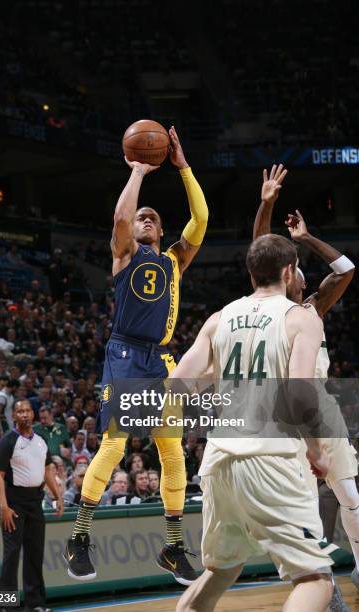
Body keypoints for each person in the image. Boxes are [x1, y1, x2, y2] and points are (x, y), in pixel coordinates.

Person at [64, 126, 208, 585]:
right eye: (142, 217)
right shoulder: (125, 253)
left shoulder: (173, 260)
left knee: (173, 453)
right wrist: (140, 172)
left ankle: (173, 547)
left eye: (153, 218)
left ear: (162, 230)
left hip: (160, 359)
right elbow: (121, 218)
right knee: (114, 445)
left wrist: (183, 167)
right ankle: (79, 538)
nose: (145, 219)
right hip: (126, 354)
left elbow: (201, 220)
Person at [173, 234, 334, 612]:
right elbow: (299, 394)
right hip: (270, 458)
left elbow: (178, 384)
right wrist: (318, 450)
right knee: (315, 579)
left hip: (218, 461)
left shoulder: (219, 318)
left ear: (250, 274)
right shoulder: (301, 318)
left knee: (218, 572)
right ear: (289, 270)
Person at [254, 164, 358, 597]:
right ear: (281, 276)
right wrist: (267, 204)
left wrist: (305, 239)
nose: (297, 270)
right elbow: (259, 251)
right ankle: (322, 584)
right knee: (303, 511)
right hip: (283, 416)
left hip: (321, 412)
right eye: (292, 266)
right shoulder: (267, 305)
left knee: (351, 497)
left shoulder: (313, 307)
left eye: (298, 266)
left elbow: (347, 266)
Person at [0, 399, 63, 612]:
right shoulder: (8, 440)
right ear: (14, 416)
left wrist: (57, 496)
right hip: (14, 503)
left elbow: (48, 469)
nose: (24, 414)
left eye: (27, 411)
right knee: (12, 555)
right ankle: (7, 606)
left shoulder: (40, 440)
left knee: (35, 553)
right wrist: (3, 507)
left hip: (35, 501)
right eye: (20, 411)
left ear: (33, 415)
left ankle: (35, 604)